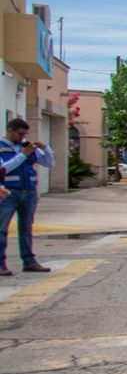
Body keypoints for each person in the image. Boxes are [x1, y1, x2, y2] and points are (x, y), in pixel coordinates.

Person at [0, 118, 54, 276]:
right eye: (20, 134)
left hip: (28, 191)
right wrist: (23, 155)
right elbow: (4, 169)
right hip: (8, 192)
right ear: (10, 130)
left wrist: (46, 149)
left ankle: (29, 262)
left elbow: (49, 163)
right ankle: (1, 264)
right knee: (2, 229)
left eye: (25, 135)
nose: (23, 138)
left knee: (26, 229)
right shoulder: (2, 147)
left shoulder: (27, 147)